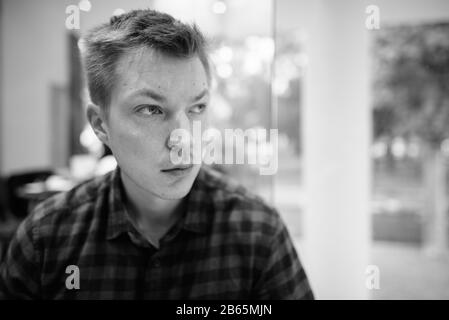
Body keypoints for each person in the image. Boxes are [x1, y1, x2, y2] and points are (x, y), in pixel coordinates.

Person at [0, 9, 314, 299]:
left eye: (197, 108)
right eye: (151, 109)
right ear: (100, 124)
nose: (183, 140)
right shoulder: (45, 240)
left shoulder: (258, 231)